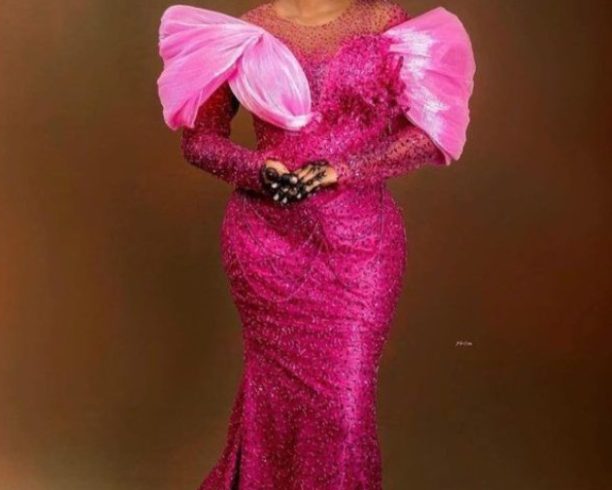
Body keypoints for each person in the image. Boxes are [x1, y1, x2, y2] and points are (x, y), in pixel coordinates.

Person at [157, 0, 476, 488]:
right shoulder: (247, 30)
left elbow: (428, 135)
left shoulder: (385, 21)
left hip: (358, 245)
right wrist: (258, 169)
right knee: (273, 403)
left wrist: (341, 170)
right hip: (266, 245)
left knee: (343, 411)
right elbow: (199, 142)